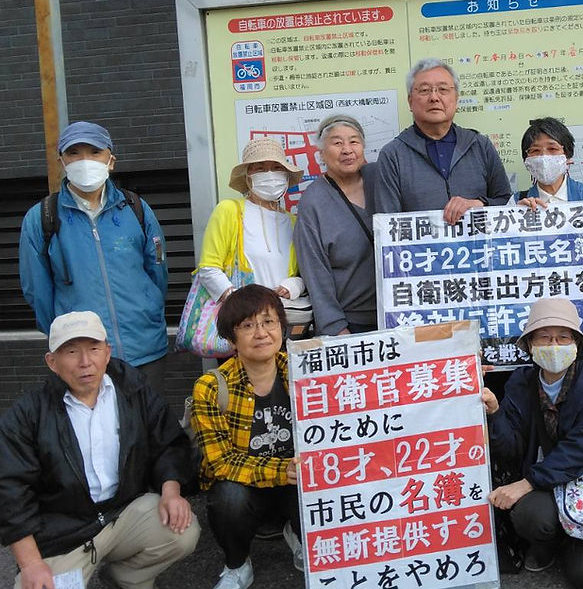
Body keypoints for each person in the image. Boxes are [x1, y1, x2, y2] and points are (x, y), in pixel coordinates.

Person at [0, 311, 199, 589]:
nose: (85, 362)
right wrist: (31, 564)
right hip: (62, 534)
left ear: (107, 352)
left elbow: (168, 442)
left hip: (122, 515)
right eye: (71, 351)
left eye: (93, 348)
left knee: (183, 528)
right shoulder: (28, 414)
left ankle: (127, 577)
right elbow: (10, 489)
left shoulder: (133, 389)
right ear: (52, 361)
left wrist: (171, 491)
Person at [483, 297, 583, 589]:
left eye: (563, 337)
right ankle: (551, 539)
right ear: (530, 345)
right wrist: (496, 414)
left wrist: (528, 482)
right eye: (544, 337)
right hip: (550, 487)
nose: (554, 345)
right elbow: (511, 448)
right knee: (529, 516)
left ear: (576, 344)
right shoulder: (521, 382)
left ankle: (581, 536)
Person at [19, 120, 170, 395]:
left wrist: (147, 311)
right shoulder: (42, 218)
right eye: (74, 153)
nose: (84, 160)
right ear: (62, 161)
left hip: (145, 347)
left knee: (150, 431)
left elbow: (157, 272)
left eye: (94, 151)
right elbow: (37, 291)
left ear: (110, 160)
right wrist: (67, 339)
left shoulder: (135, 207)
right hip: (84, 358)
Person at [190, 285, 301, 589]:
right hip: (247, 485)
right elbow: (222, 464)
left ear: (282, 326)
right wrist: (284, 470)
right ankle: (237, 565)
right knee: (229, 496)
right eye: (248, 325)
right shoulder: (211, 387)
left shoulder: (303, 370)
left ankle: (300, 534)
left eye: (269, 322)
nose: (261, 333)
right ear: (231, 337)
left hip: (294, 483)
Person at [196, 137, 311, 338]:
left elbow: (306, 272)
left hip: (282, 325)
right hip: (240, 328)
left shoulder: (293, 221)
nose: (270, 174)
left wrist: (294, 285)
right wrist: (243, 306)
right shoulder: (230, 211)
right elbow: (208, 269)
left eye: (276, 167)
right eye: (260, 168)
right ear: (248, 175)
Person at [374, 58, 511, 223]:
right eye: (425, 90)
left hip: (478, 248)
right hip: (423, 249)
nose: (434, 97)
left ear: (456, 99)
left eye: (443, 89)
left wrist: (479, 204)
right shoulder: (393, 155)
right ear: (410, 101)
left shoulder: (480, 145)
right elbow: (387, 225)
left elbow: (507, 202)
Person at [294, 114, 378, 335]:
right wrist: (335, 327)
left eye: (354, 141)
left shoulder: (382, 180)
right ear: (321, 153)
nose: (347, 150)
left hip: (402, 314)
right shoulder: (313, 201)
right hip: (352, 323)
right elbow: (314, 271)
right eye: (337, 143)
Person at [512, 116, 583, 263]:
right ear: (527, 161)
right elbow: (505, 256)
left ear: (567, 156)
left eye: (553, 149)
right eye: (535, 151)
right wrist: (515, 222)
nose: (544, 157)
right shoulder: (517, 202)